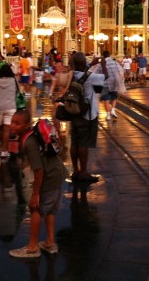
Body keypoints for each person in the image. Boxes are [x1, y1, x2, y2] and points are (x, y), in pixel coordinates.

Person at [8, 109, 65, 258]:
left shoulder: (29, 142)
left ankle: (32, 247)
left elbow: (38, 170)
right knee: (50, 209)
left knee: (36, 209)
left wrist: (35, 194)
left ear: (27, 125)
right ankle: (50, 242)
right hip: (58, 171)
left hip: (49, 175)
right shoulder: (31, 136)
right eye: (12, 122)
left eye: (17, 123)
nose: (13, 126)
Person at [59, 52, 107, 182]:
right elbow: (105, 77)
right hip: (87, 113)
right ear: (84, 63)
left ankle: (76, 170)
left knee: (74, 141)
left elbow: (81, 71)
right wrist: (102, 63)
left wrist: (91, 64)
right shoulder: (90, 77)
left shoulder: (72, 75)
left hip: (73, 111)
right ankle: (84, 172)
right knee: (83, 143)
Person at [0, 62, 18, 159]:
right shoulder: (13, 80)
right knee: (7, 129)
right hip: (10, 107)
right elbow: (16, 91)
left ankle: (1, 146)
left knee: (0, 128)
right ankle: (5, 151)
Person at [97, 51, 122, 121]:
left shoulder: (101, 64)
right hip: (114, 82)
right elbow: (120, 71)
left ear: (103, 56)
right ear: (109, 55)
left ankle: (108, 115)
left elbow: (97, 72)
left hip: (105, 83)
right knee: (114, 97)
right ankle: (113, 109)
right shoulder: (114, 62)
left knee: (106, 99)